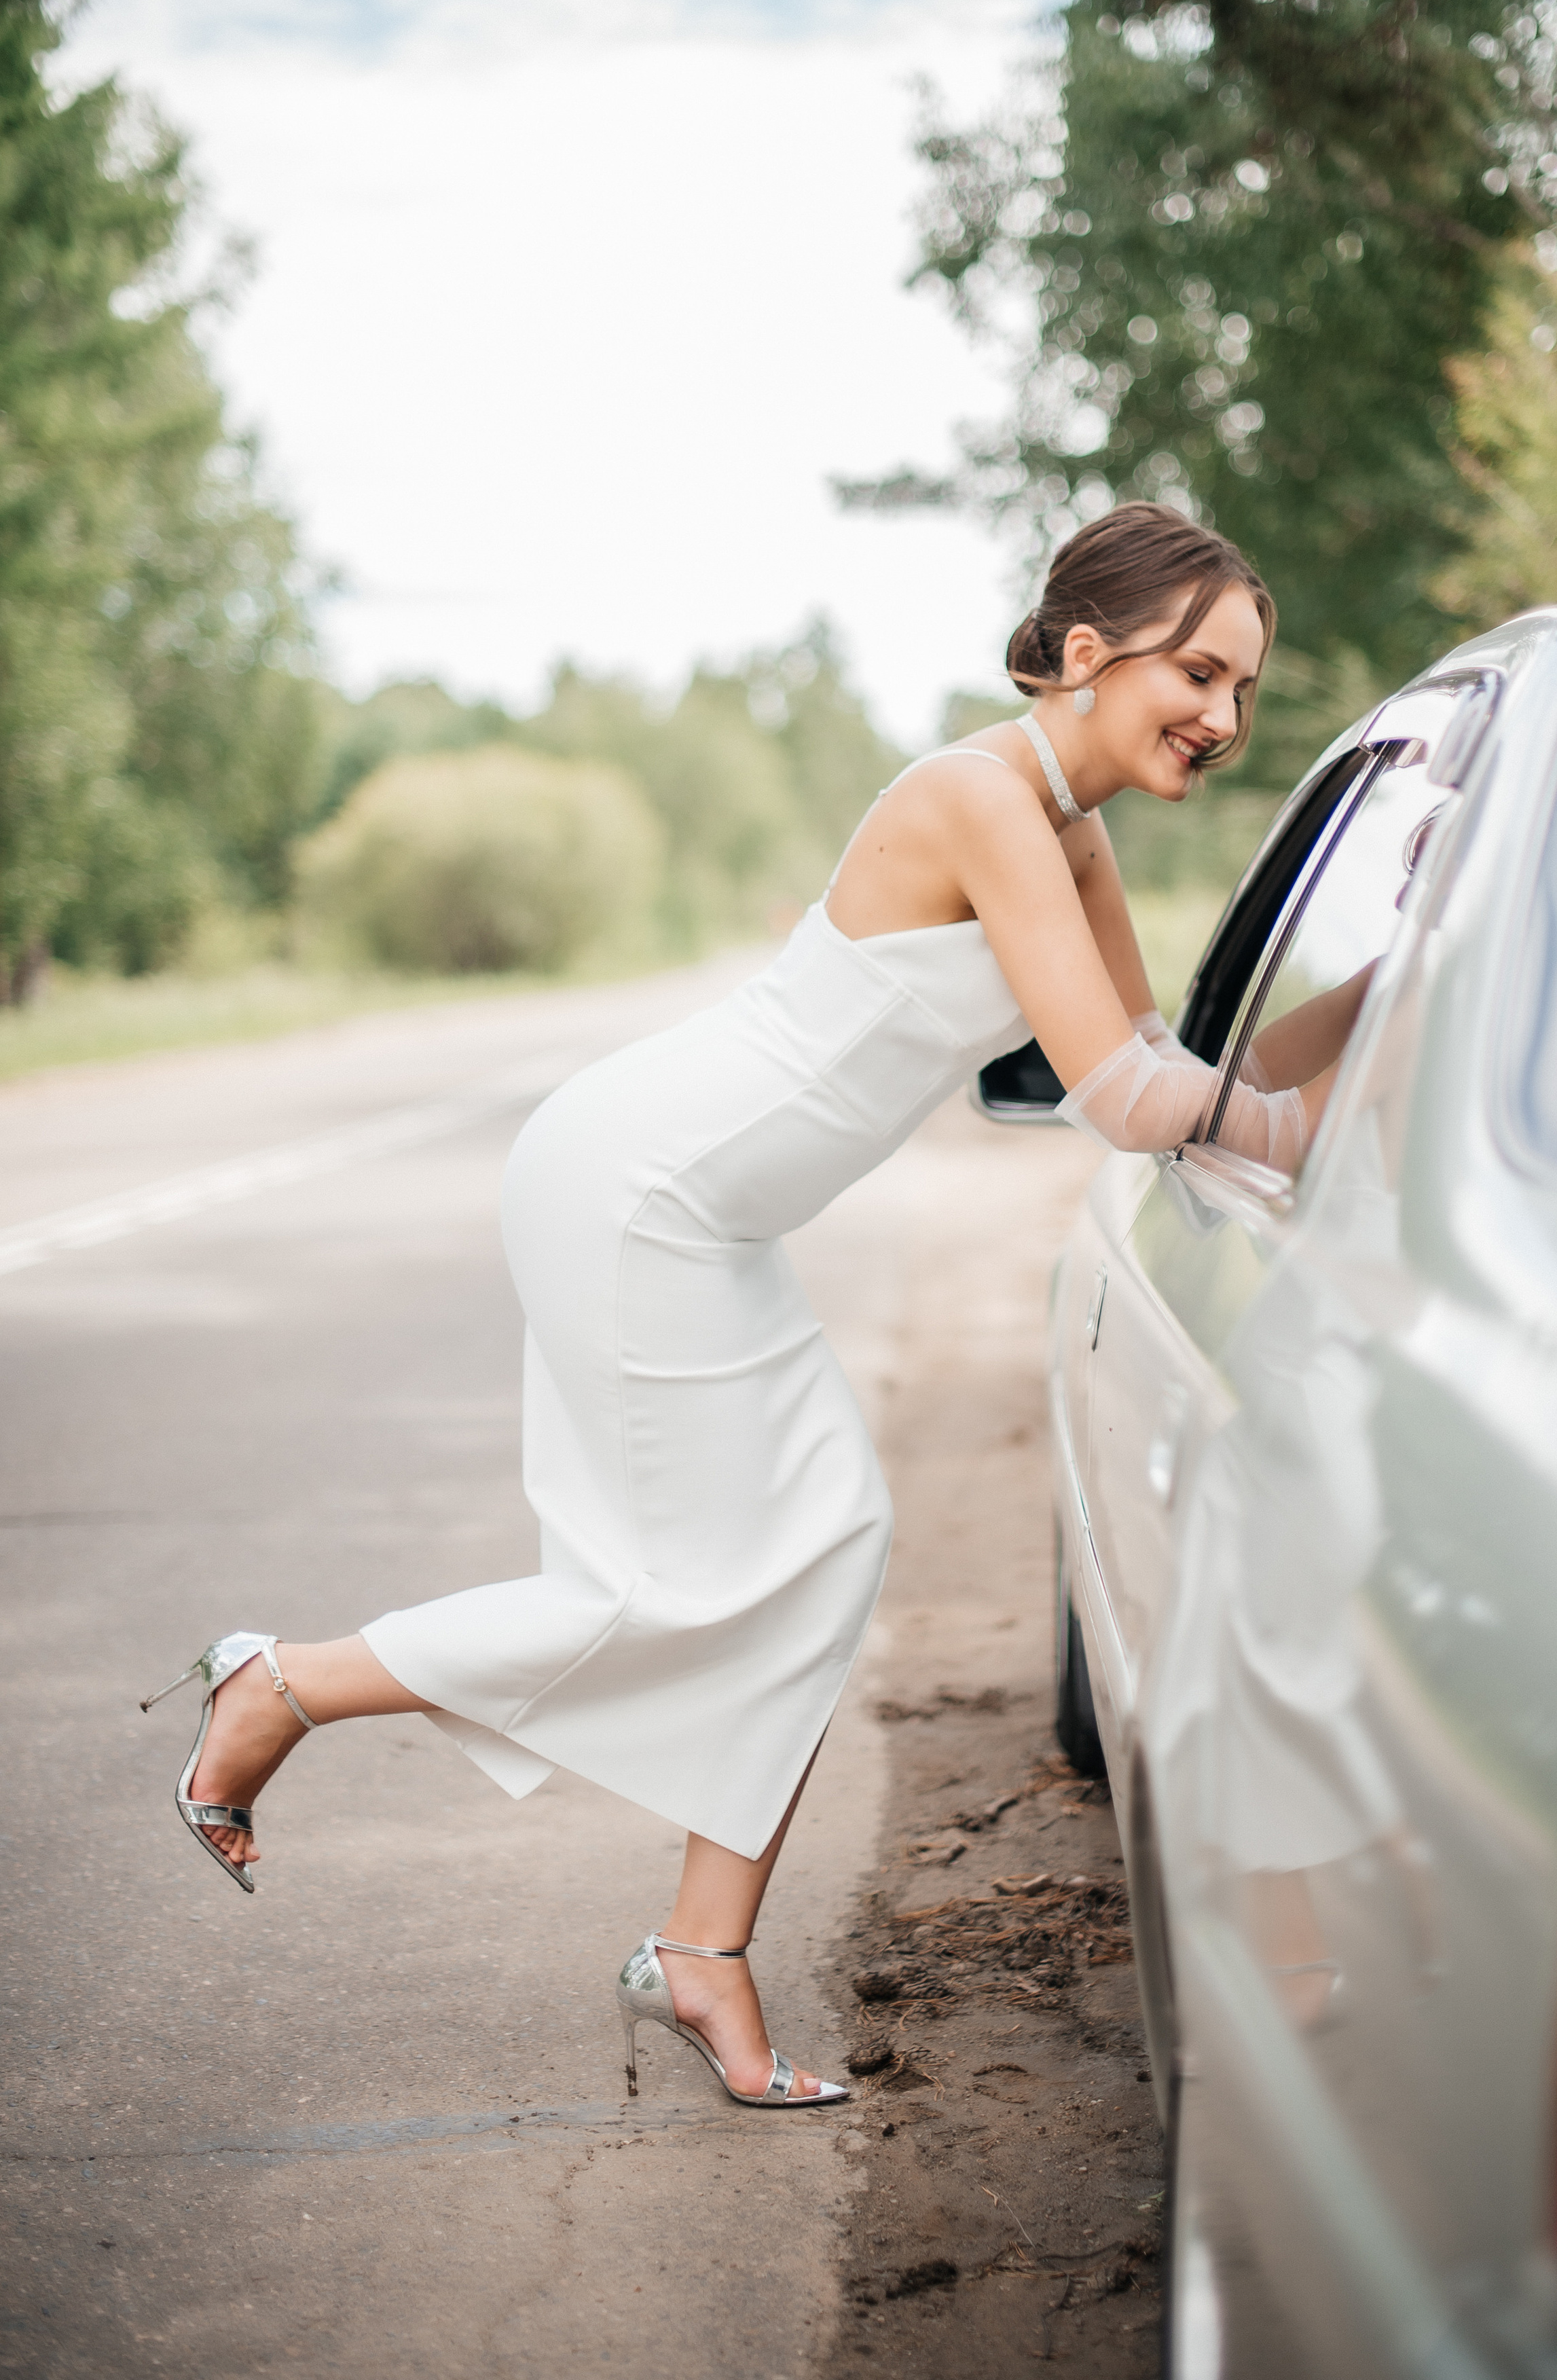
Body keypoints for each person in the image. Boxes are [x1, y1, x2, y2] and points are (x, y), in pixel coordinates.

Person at [141, 502, 1370, 2110]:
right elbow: (1140, 1103)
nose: (1220, 717)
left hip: (697, 1217)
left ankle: (700, 1950)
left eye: (1243, 692)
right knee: (659, 1586)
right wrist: (1312, 1139)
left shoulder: (1066, 833)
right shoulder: (979, 798)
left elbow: (1167, 1077)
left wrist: (1393, 997)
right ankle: (282, 1682)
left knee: (823, 1547)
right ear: (1085, 652)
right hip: (635, 1190)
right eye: (1197, 673)